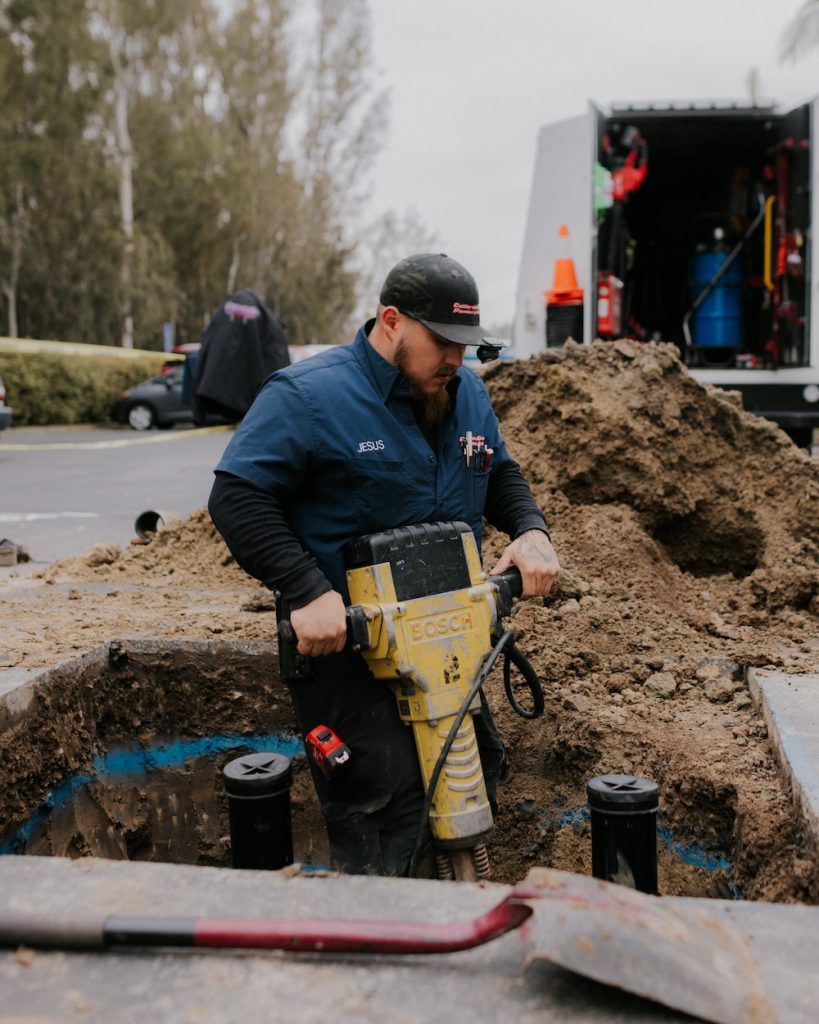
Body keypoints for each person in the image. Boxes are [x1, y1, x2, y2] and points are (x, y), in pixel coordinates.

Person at [209, 253, 560, 876]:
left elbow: (498, 470)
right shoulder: (308, 396)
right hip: (351, 659)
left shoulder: (467, 392)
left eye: (467, 345)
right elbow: (238, 497)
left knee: (471, 794)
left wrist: (531, 531)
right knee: (388, 819)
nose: (458, 359)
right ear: (391, 321)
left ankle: (458, 923)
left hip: (450, 648)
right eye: (444, 342)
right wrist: (305, 590)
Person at [191, 289, 290, 424]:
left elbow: (205, 352)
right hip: (257, 403)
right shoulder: (268, 324)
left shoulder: (225, 317)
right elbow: (276, 359)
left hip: (218, 400)